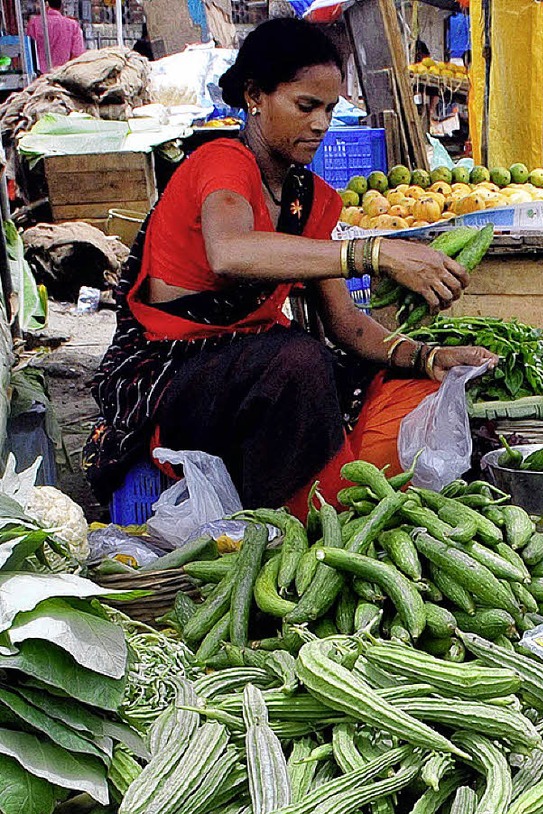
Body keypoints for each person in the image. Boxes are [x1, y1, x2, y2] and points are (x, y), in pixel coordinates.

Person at [83, 17, 497, 520]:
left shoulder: (312, 200)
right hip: (174, 375)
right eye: (306, 106)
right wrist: (374, 252)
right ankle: (289, 530)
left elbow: (347, 326)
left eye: (329, 108)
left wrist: (428, 358)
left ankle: (333, 509)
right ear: (255, 96)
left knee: (404, 388)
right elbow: (230, 252)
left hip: (259, 374)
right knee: (299, 361)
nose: (321, 123)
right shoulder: (222, 162)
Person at [27, 0, 85, 73]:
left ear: (46, 4)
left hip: (40, 77)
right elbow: (77, 54)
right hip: (63, 75)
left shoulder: (34, 23)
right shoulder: (72, 25)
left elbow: (29, 52)